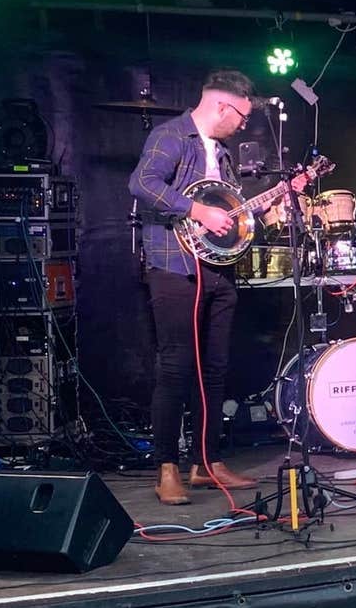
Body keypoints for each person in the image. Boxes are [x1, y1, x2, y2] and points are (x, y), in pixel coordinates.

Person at [130, 69, 303, 505]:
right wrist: (196, 210)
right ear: (222, 106)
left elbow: (232, 216)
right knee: (175, 368)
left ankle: (206, 462)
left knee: (214, 369)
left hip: (218, 271)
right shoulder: (172, 136)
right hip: (174, 266)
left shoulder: (221, 154)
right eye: (241, 117)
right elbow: (142, 183)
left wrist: (277, 199)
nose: (243, 126)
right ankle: (167, 468)